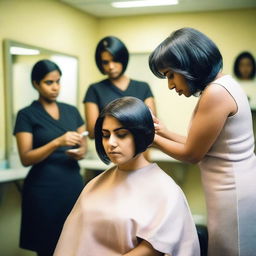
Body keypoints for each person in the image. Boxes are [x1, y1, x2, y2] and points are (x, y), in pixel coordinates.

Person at [148, 27, 256, 256]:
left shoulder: (216, 93)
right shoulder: (225, 84)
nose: (169, 85)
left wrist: (151, 139)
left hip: (233, 193)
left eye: (170, 75)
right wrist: (163, 132)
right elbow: (199, 145)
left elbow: (192, 154)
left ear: (190, 65)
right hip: (233, 187)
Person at [54, 96, 200, 256]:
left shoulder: (166, 190)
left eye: (121, 134)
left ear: (140, 135)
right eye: (105, 134)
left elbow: (156, 247)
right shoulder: (94, 185)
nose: (111, 142)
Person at [13, 59, 87, 256]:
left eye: (58, 81)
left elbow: (84, 141)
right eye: (49, 82)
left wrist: (81, 151)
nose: (56, 87)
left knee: (76, 243)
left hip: (72, 185)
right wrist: (57, 142)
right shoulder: (26, 115)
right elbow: (26, 158)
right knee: (47, 247)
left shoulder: (71, 111)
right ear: (36, 84)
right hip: (43, 191)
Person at [83, 35, 156, 139]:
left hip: (141, 152)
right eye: (105, 62)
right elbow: (92, 132)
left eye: (115, 60)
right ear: (100, 64)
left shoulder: (143, 88)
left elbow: (151, 126)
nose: (111, 67)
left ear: (123, 59)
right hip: (110, 151)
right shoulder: (94, 90)